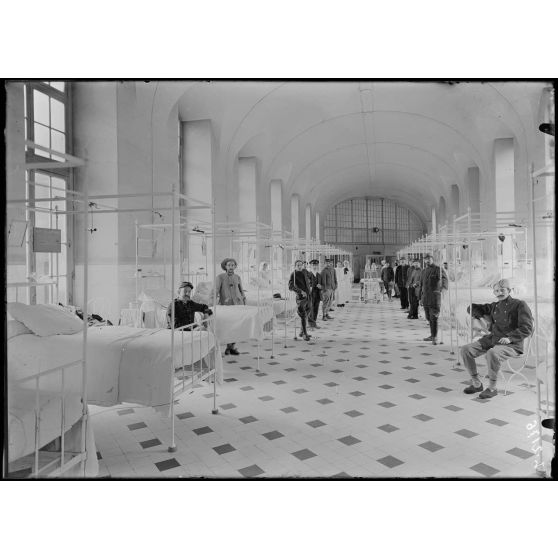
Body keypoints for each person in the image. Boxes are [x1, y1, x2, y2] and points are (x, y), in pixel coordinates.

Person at [461, 278, 534, 399]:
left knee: (492, 353)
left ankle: (492, 388)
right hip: (492, 339)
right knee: (465, 350)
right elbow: (471, 308)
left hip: (512, 344)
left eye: (502, 290)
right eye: (496, 291)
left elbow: (527, 328)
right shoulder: (494, 305)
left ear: (509, 290)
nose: (499, 293)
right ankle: (476, 383)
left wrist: (510, 338)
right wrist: (483, 318)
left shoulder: (520, 305)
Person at [215, 257, 246, 355]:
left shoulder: (237, 277)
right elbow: (215, 290)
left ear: (235, 266)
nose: (231, 267)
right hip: (226, 304)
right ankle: (228, 346)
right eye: (229, 265)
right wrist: (213, 302)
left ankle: (232, 347)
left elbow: (241, 290)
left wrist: (244, 299)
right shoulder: (220, 277)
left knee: (237, 326)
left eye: (233, 265)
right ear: (225, 266)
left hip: (238, 303)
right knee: (229, 326)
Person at [418, 254, 448, 345]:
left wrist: (443, 289)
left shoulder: (438, 269)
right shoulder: (423, 271)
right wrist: (420, 298)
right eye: (425, 260)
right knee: (428, 318)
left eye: (429, 259)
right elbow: (421, 285)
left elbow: (445, 280)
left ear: (432, 259)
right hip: (425, 298)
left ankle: (434, 337)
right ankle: (432, 335)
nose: (427, 261)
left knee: (433, 317)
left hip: (435, 298)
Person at [288, 260, 313, 341]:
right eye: (298, 265)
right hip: (300, 298)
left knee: (307, 313)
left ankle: (302, 331)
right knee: (303, 315)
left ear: (303, 265)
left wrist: (311, 286)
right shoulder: (293, 274)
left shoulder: (305, 271)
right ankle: (305, 334)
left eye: (301, 265)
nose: (299, 266)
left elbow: (312, 277)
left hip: (308, 296)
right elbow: (290, 287)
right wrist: (301, 292)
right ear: (295, 266)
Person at [307, 259, 322, 329]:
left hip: (318, 294)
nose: (314, 266)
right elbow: (307, 284)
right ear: (310, 265)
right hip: (311, 294)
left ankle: (314, 322)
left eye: (316, 265)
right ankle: (310, 323)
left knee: (316, 308)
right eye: (313, 265)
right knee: (311, 309)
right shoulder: (308, 274)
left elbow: (322, 284)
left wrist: (321, 286)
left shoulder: (319, 274)